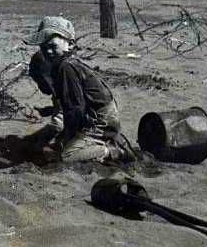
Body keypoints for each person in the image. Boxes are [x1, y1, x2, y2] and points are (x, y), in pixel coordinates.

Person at [24, 16, 130, 164]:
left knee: (66, 156)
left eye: (53, 46)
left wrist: (68, 139)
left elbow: (75, 108)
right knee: (60, 144)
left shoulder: (66, 67)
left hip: (101, 121)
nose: (48, 51)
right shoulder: (64, 65)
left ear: (70, 44)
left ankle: (112, 150)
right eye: (44, 47)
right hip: (95, 116)